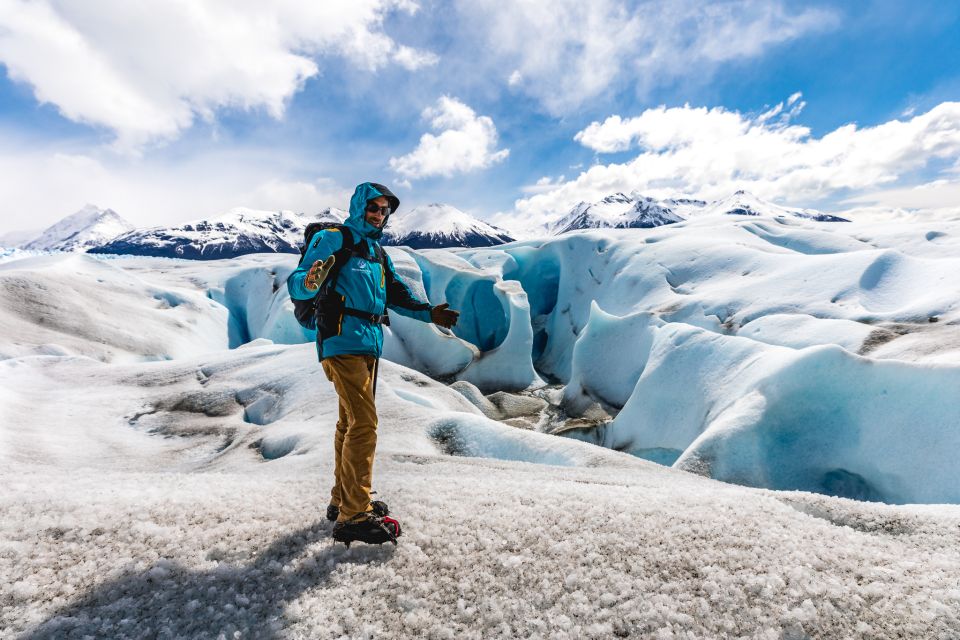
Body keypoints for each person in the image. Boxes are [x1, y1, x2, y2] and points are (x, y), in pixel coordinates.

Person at [287, 182, 460, 546]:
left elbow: (395, 292)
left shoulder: (377, 252)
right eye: (374, 208)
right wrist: (311, 280)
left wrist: (430, 313)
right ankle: (354, 515)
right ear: (358, 206)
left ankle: (343, 498)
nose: (379, 215)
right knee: (365, 422)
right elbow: (299, 281)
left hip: (368, 342)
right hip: (340, 339)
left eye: (384, 210)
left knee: (349, 421)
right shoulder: (335, 238)